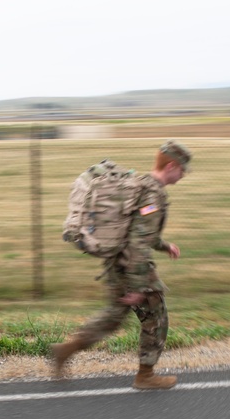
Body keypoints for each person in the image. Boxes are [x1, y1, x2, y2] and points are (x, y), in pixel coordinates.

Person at [52, 141, 191, 389]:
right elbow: (138, 241)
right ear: (171, 166)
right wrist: (138, 285)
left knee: (114, 316)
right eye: (182, 170)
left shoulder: (140, 184)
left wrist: (163, 245)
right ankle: (146, 375)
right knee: (156, 317)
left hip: (117, 260)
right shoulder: (152, 194)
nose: (182, 175)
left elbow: (136, 229)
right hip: (132, 265)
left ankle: (66, 350)